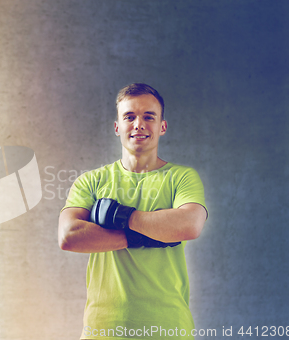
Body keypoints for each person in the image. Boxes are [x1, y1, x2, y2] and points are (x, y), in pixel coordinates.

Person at [58, 83, 208, 340]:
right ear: (117, 127)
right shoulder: (91, 181)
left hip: (168, 327)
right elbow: (69, 236)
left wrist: (120, 217)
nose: (139, 124)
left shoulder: (182, 178)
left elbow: (190, 224)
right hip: (102, 329)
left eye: (149, 116)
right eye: (129, 117)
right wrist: (149, 235)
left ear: (162, 126)